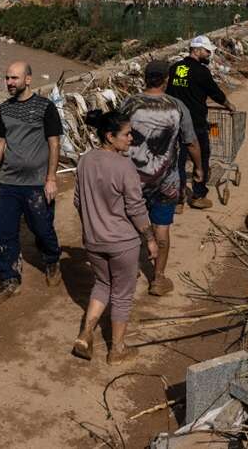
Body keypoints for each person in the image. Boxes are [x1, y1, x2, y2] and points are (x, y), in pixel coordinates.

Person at [72, 110, 158, 363]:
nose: (131, 138)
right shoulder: (124, 166)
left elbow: (78, 201)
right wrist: (150, 238)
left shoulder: (85, 161)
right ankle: (117, 350)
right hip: (122, 242)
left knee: (101, 285)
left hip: (94, 240)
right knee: (122, 294)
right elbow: (136, 207)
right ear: (110, 136)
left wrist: (92, 224)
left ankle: (86, 333)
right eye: (127, 134)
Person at [0, 61, 64, 304]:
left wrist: (51, 178)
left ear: (28, 79)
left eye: (14, 78)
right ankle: (9, 280)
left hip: (37, 183)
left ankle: (51, 260)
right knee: (5, 233)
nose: (9, 82)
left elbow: (54, 143)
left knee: (43, 229)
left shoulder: (45, 107)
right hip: (9, 182)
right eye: (7, 78)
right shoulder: (4, 109)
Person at [124, 61, 204, 296]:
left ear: (145, 78)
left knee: (129, 225)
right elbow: (190, 142)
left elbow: (117, 136)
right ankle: (157, 279)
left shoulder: (130, 104)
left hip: (132, 178)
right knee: (162, 229)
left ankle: (129, 270)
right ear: (167, 79)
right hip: (166, 180)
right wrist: (198, 168)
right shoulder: (177, 107)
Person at [166, 37, 235, 212]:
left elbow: (169, 93)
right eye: (206, 51)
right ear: (196, 50)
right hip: (196, 122)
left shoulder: (175, 68)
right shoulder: (201, 71)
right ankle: (198, 195)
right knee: (202, 158)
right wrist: (228, 104)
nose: (209, 54)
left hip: (175, 122)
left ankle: (178, 199)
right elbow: (215, 92)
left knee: (178, 162)